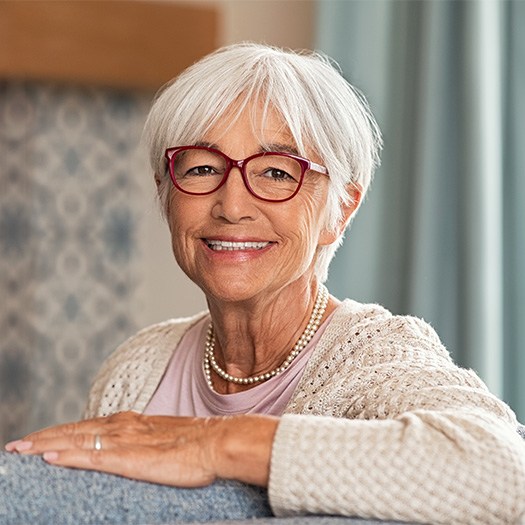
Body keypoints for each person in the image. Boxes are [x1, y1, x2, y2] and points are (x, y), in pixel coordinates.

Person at [5, 43, 525, 524]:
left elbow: (506, 474)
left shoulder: (372, 356)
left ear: (340, 210)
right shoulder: (137, 367)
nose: (231, 205)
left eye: (277, 173)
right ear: (166, 193)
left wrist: (211, 445)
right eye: (203, 167)